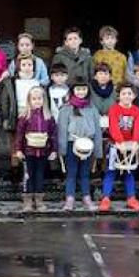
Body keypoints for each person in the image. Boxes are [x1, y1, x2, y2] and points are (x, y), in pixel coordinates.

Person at [12, 85, 58, 213]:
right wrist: (18, 149)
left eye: (40, 98)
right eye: (34, 99)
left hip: (43, 151)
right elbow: (19, 134)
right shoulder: (24, 117)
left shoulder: (49, 117)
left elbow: (53, 134)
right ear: (29, 100)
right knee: (28, 175)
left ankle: (39, 199)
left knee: (39, 175)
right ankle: (27, 199)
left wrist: (54, 150)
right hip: (28, 151)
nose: (37, 101)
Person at [101, 83, 139, 213]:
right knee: (110, 172)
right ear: (119, 96)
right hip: (115, 145)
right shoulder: (114, 109)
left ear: (134, 96)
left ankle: (131, 198)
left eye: (129, 94)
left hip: (131, 146)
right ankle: (106, 198)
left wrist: (135, 142)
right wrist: (120, 142)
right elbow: (113, 127)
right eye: (124, 94)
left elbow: (137, 127)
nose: (126, 96)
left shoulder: (137, 111)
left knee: (129, 172)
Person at [58, 83, 100, 212]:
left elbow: (97, 129)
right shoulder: (66, 108)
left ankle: (86, 197)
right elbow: (62, 129)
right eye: (78, 89)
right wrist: (62, 149)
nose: (81, 92)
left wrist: (98, 151)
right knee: (71, 172)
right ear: (72, 91)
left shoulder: (92, 108)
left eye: (83, 89)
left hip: (88, 143)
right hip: (72, 143)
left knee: (85, 173)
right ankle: (69, 198)